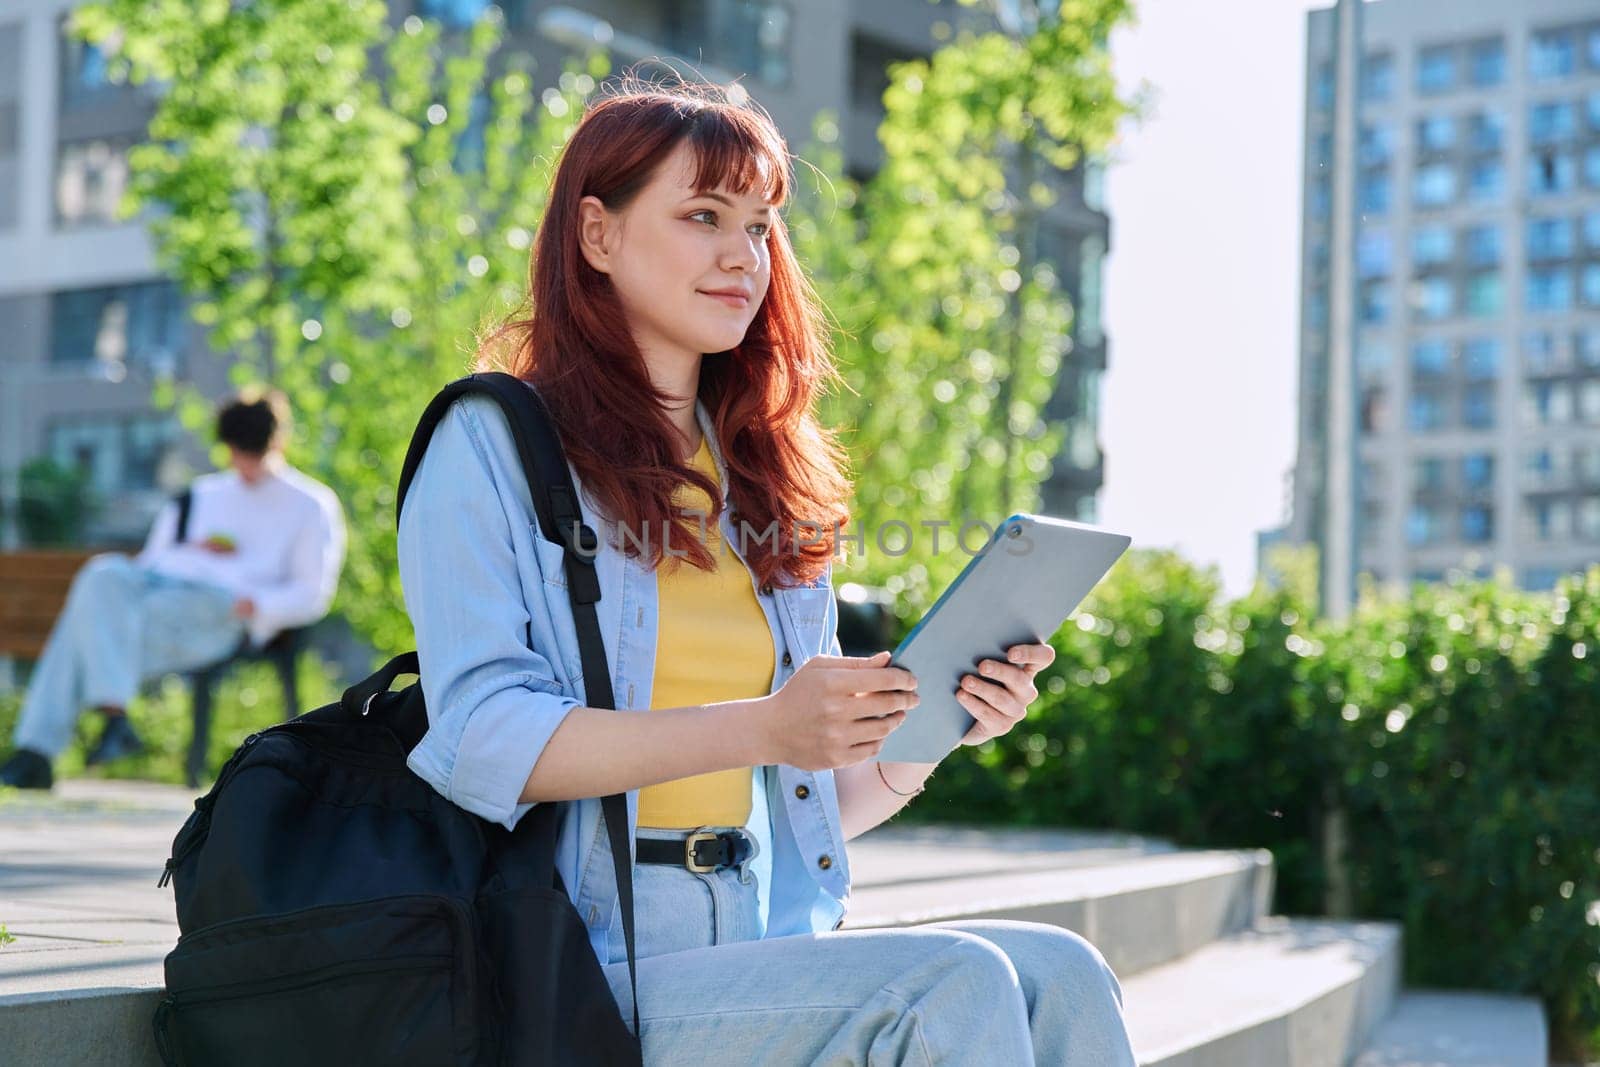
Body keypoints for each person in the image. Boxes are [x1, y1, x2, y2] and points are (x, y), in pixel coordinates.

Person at [397, 80, 1137, 1064]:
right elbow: (481, 735)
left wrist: (929, 733)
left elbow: (818, 796)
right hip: (579, 959)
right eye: (703, 216)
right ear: (597, 233)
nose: (743, 255)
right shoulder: (492, 442)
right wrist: (764, 723)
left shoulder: (754, 469)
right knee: (947, 984)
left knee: (1063, 970)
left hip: (756, 922)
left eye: (759, 225)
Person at [0, 388, 346, 791]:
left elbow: (313, 592)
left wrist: (259, 604)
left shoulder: (310, 504)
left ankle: (37, 752)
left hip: (224, 609)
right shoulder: (198, 496)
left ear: (278, 443)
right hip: (160, 591)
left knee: (86, 630)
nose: (246, 465)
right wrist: (191, 550)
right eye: (238, 452)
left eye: (255, 454)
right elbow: (150, 563)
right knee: (102, 574)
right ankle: (113, 716)